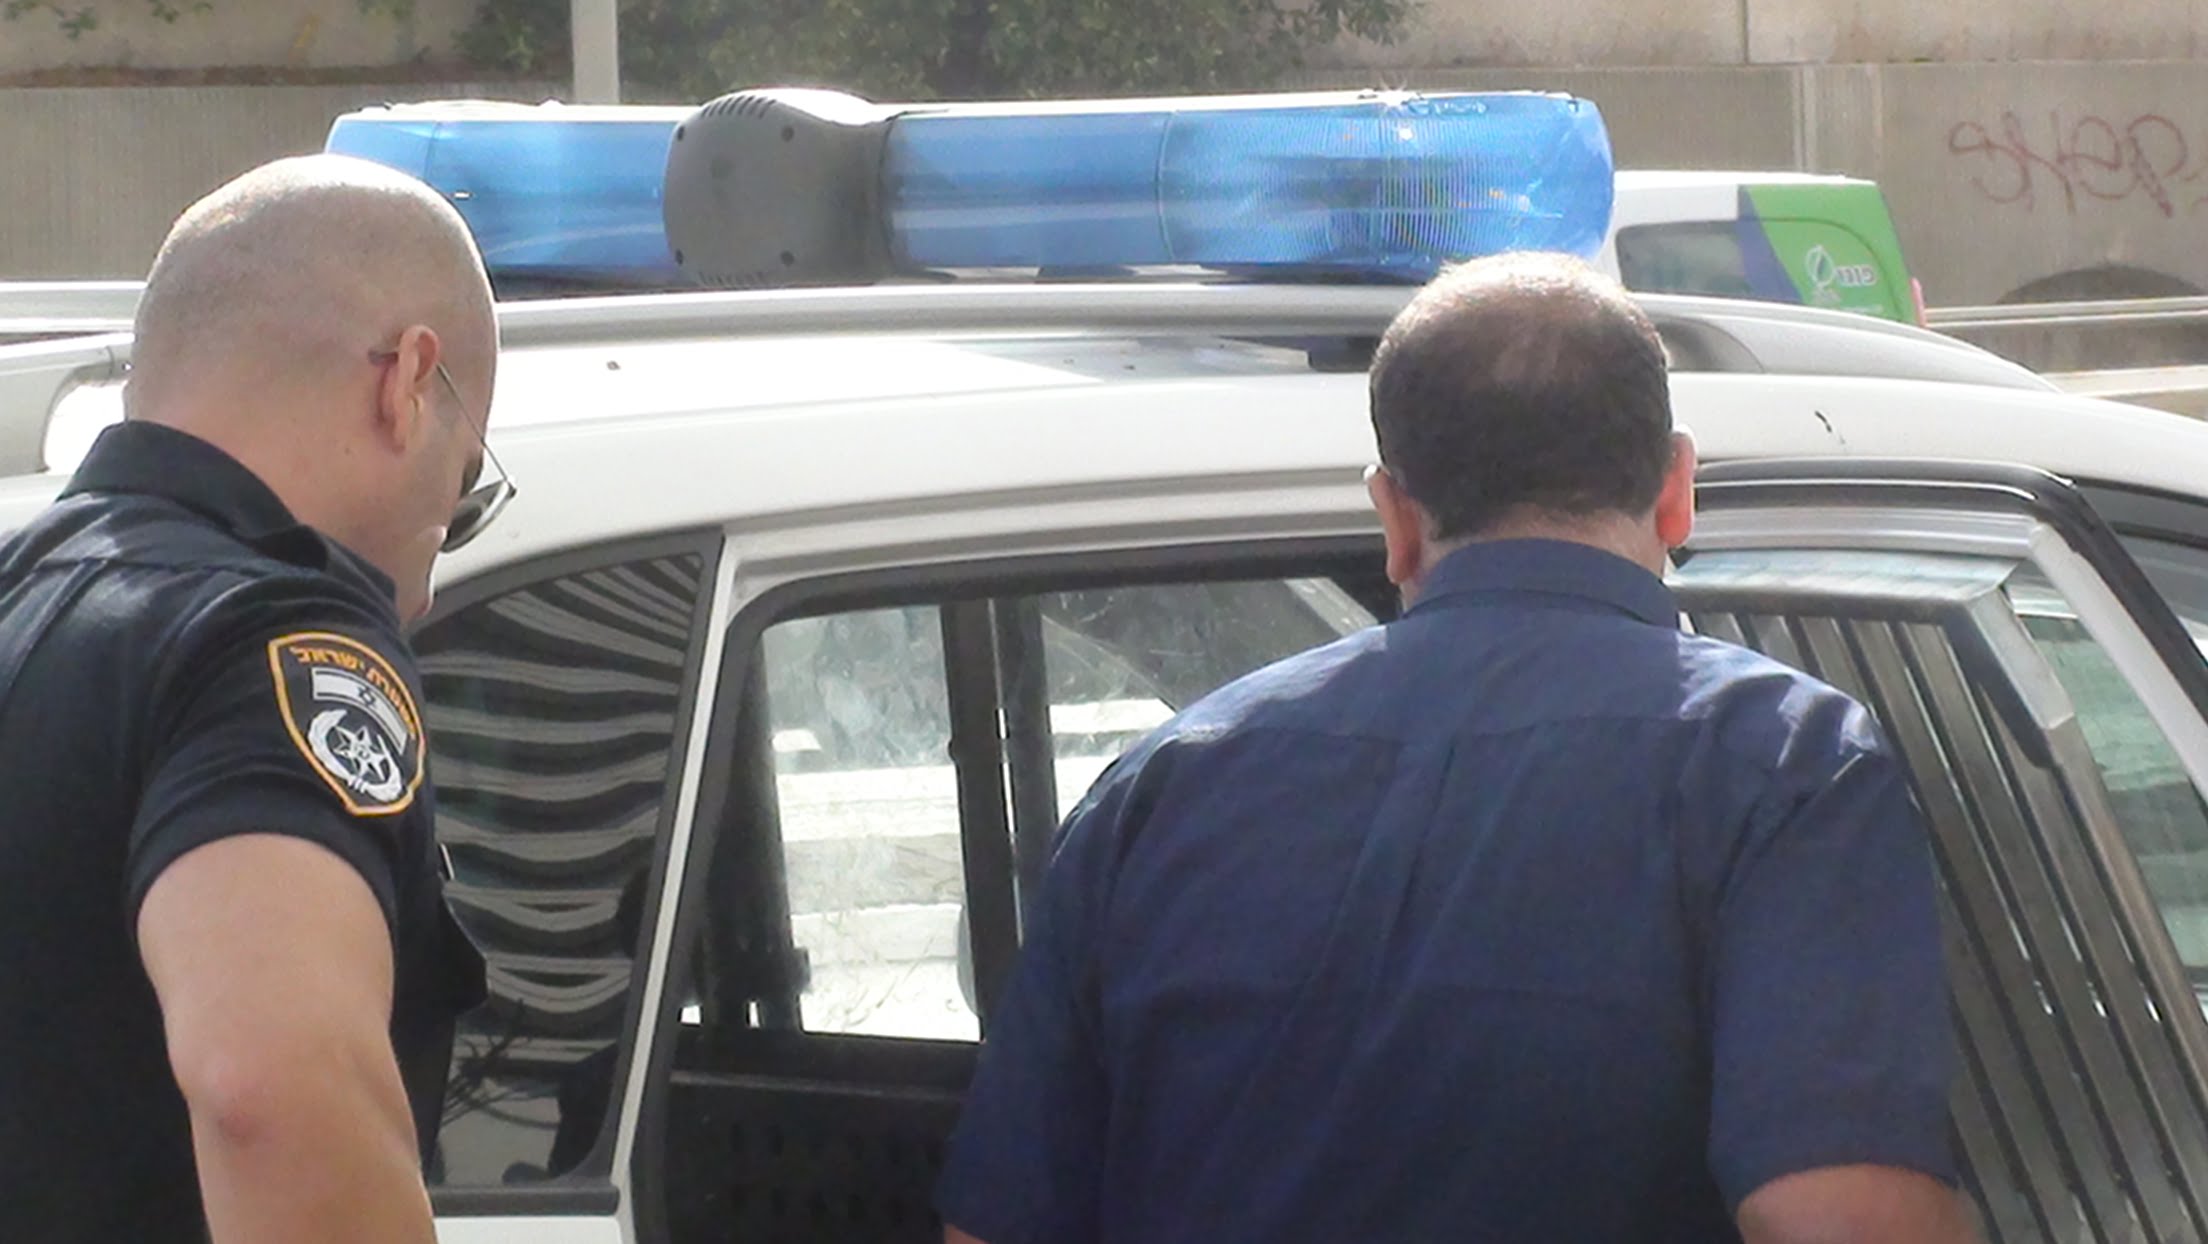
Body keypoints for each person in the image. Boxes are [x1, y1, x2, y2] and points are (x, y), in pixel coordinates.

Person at [936, 253, 1973, 1244]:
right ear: (1676, 489)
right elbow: (1839, 1222)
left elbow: (995, 1225)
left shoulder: (1161, 785)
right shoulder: (1786, 763)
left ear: (1394, 516)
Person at [0, 154, 506, 1241]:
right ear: (409, 382)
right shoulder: (275, 642)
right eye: (467, 483)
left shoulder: (24, 597)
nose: (430, 582)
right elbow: (268, 1089)